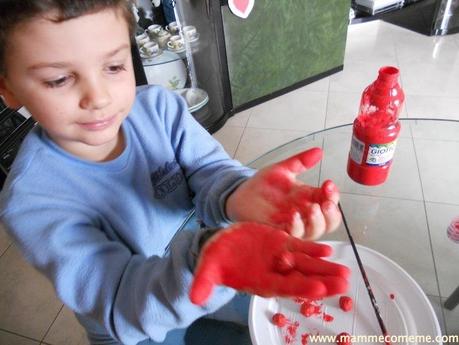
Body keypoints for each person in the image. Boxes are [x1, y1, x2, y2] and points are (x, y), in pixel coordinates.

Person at [0, 1, 349, 345]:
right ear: (9, 90)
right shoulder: (32, 199)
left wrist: (239, 194)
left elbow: (210, 171)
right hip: (137, 322)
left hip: (208, 259)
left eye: (114, 66)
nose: (98, 97)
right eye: (59, 79)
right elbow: (119, 297)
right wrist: (205, 262)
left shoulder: (160, 109)